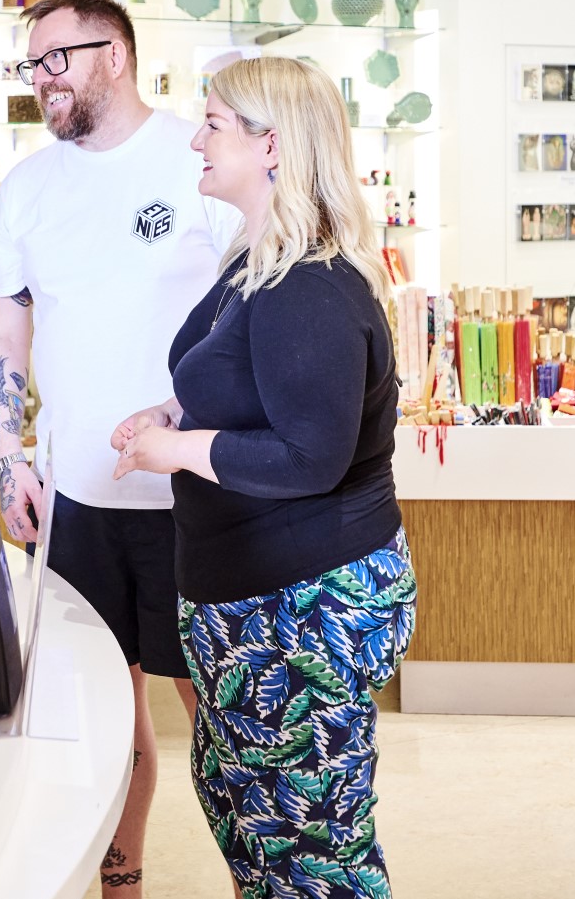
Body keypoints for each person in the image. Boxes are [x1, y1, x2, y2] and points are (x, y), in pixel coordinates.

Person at [111, 56, 416, 899]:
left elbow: (309, 456)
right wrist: (172, 414)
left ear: (272, 143)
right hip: (250, 608)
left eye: (213, 123)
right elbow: (246, 389)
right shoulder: (258, 263)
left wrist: (178, 450)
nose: (195, 140)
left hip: (304, 611)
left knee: (311, 854)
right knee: (256, 831)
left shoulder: (309, 283)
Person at [0, 0, 242, 896]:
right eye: (33, 63)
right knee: (101, 713)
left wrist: (179, 417)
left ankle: (267, 873)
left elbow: (247, 313)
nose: (42, 79)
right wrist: (6, 448)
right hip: (75, 498)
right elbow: (7, 328)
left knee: (220, 709)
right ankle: (118, 881)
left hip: (197, 497)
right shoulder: (28, 188)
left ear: (116, 56)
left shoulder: (198, 159)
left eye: (59, 58)